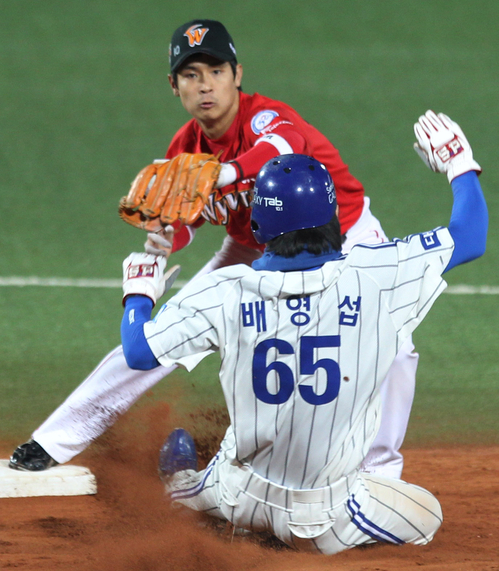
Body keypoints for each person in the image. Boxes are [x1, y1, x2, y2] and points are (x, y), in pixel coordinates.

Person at [11, 20, 417, 476]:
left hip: (347, 239)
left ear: (237, 75)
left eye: (215, 71)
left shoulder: (264, 117)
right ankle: (52, 442)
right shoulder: (185, 150)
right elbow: (189, 221)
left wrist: (227, 173)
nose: (205, 86)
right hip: (255, 250)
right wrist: (165, 238)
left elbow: (286, 145)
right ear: (174, 85)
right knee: (160, 332)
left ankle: (379, 472)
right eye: (191, 75)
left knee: (395, 344)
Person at [118, 112, 487, 554]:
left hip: (234, 498)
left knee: (194, 487)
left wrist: (139, 294)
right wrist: (459, 163)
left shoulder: (224, 290)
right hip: (322, 522)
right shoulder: (381, 274)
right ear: (332, 216)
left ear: (258, 228)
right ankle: (304, 533)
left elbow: (138, 351)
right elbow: (471, 236)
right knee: (426, 512)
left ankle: (182, 489)